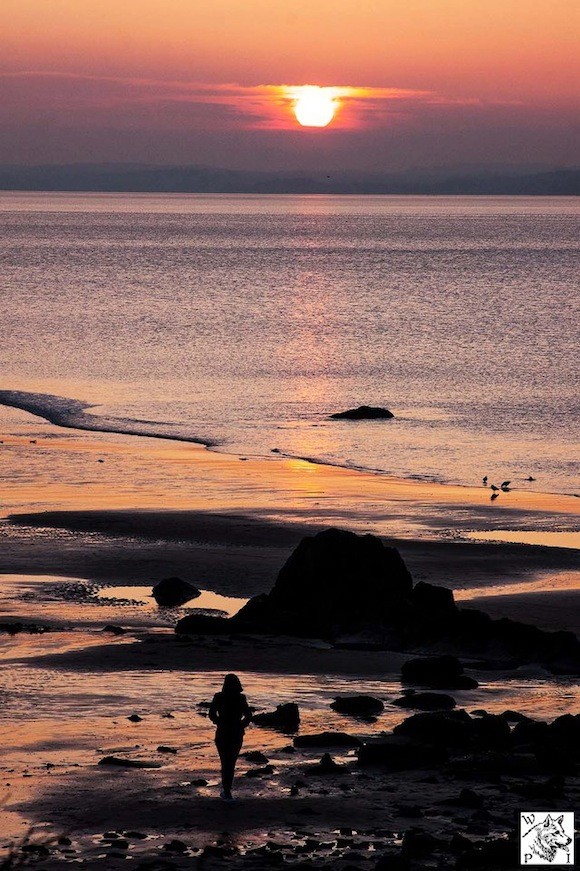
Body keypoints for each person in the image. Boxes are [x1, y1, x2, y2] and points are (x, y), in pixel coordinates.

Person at [208, 673, 252, 801]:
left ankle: (226, 790)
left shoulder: (219, 697)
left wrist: (219, 722)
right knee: (231, 762)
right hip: (236, 733)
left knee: (225, 761)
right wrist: (241, 726)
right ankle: (227, 790)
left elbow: (211, 714)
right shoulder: (241, 698)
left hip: (222, 733)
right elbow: (248, 715)